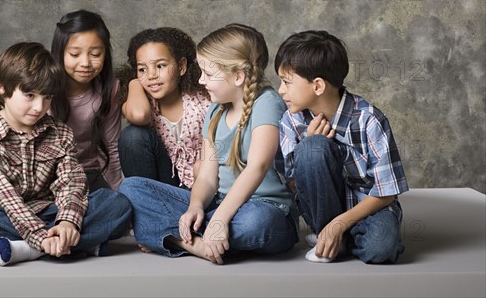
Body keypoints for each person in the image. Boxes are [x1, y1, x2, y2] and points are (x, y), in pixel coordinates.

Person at [119, 24, 298, 264]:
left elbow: (258, 166)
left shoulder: (267, 102)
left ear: (238, 76)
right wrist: (195, 207)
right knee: (131, 188)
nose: (201, 81)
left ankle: (175, 238)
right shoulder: (216, 108)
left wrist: (220, 219)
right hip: (218, 205)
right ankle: (199, 242)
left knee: (256, 222)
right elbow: (206, 176)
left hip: (264, 208)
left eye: (208, 74)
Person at [0, 42, 132, 266]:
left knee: (117, 204)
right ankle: (71, 245)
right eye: (29, 95)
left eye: (47, 97)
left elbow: (71, 182)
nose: (39, 106)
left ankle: (25, 250)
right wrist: (40, 236)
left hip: (51, 211)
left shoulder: (60, 132)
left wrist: (68, 223)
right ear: (2, 86)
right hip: (4, 214)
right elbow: (5, 196)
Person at [275, 30, 408, 264]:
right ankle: (330, 235)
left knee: (381, 250)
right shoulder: (291, 120)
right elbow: (295, 184)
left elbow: (386, 191)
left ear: (317, 86)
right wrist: (308, 146)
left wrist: (340, 224)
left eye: (287, 82)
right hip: (321, 211)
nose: (280, 90)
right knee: (313, 147)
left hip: (368, 208)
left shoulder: (369, 120)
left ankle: (339, 237)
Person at [117, 27, 210, 189]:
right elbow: (139, 115)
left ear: (181, 66)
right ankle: (148, 204)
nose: (151, 75)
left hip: (205, 182)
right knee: (132, 136)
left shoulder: (203, 100)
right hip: (165, 185)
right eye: (142, 69)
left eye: (160, 66)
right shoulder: (138, 100)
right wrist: (134, 83)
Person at [50, 9, 122, 191]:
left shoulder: (110, 88)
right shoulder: (44, 87)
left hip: (90, 173)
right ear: (60, 53)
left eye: (95, 54)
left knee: (115, 205)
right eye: (75, 55)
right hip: (49, 174)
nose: (85, 63)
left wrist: (117, 191)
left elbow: (111, 145)